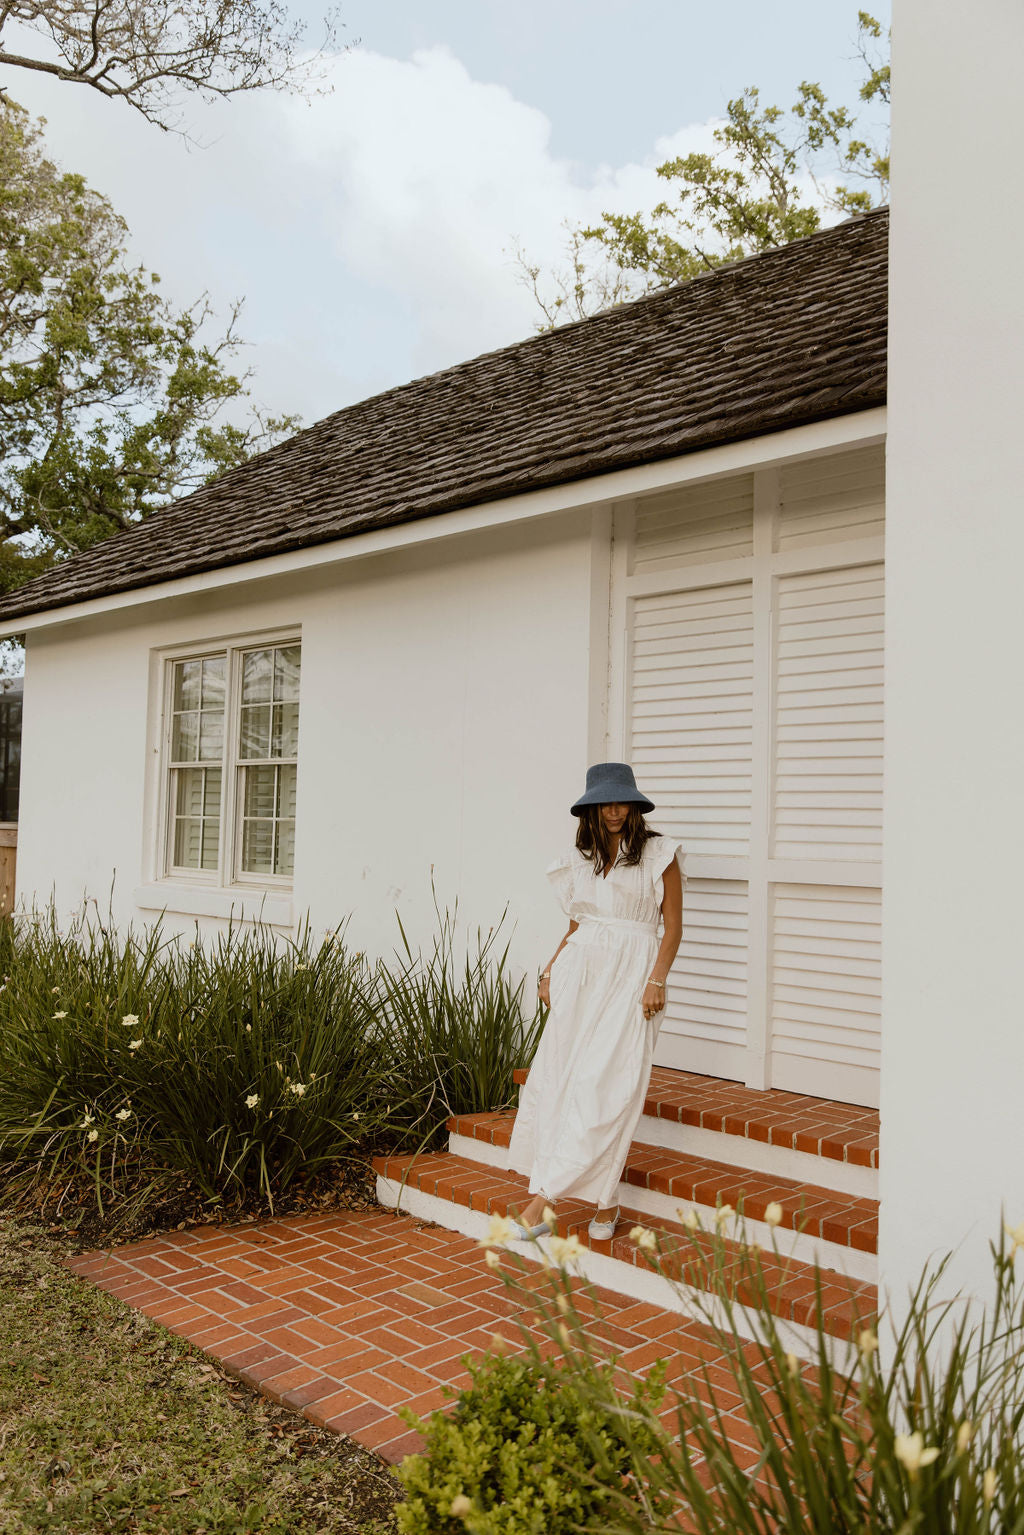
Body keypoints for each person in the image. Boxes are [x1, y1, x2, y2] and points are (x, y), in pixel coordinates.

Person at [506, 762, 685, 1243]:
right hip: (580, 975)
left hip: (633, 977)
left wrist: (657, 980)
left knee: (609, 1086)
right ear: (590, 808)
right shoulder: (579, 859)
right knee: (562, 1080)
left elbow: (673, 928)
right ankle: (604, 1200)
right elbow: (575, 925)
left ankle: (544, 1201)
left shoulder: (658, 854)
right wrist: (548, 970)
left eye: (621, 800)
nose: (613, 810)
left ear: (634, 804)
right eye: (604, 802)